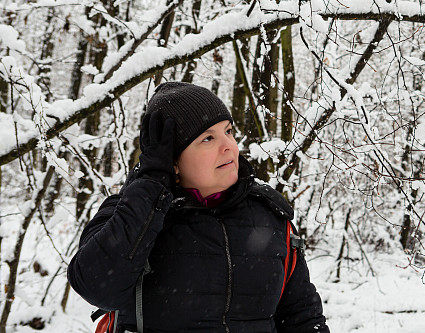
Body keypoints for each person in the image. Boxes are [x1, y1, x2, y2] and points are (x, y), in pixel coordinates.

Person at [67, 81, 329, 332]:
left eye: (228, 131)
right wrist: (152, 185)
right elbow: (97, 288)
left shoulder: (268, 217)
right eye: (207, 138)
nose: (229, 146)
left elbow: (302, 317)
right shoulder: (132, 212)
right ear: (173, 160)